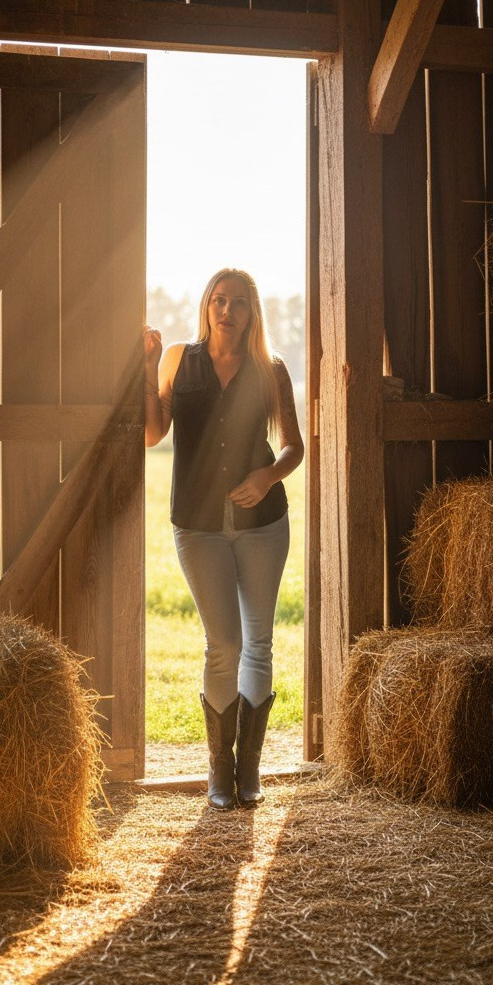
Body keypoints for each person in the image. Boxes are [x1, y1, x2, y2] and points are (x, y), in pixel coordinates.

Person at [144, 268, 304, 811]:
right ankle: (219, 769)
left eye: (238, 302)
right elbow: (150, 434)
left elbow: (293, 447)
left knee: (259, 641)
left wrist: (267, 477)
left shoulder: (270, 369)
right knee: (224, 644)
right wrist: (147, 366)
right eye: (218, 300)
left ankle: (248, 772)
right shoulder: (178, 362)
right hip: (198, 524)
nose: (227, 310)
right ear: (207, 306)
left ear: (251, 312)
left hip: (264, 525)